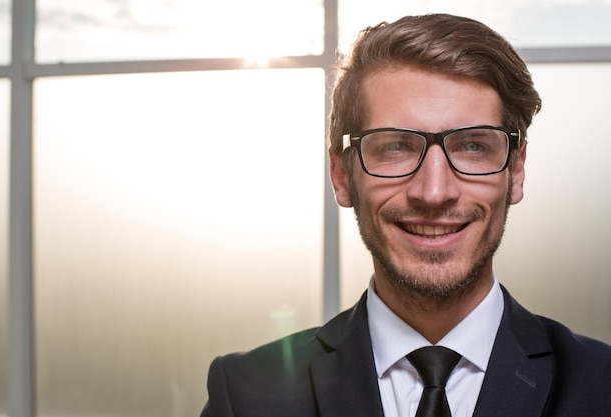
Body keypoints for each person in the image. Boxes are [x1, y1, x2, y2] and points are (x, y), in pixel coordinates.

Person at [200, 13, 611, 417]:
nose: (434, 193)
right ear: (342, 175)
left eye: (472, 146)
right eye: (395, 147)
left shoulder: (603, 384)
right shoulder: (244, 395)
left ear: (515, 171)